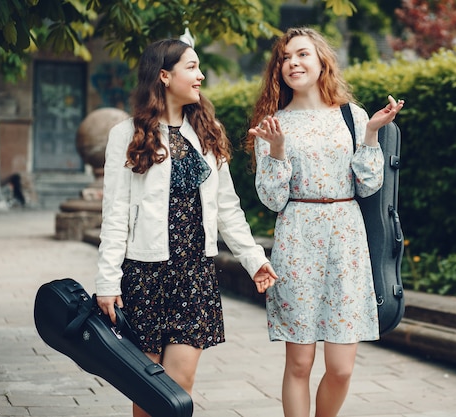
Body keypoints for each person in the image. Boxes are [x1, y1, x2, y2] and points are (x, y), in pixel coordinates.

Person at [94, 38, 277, 417]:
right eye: (191, 67)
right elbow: (114, 215)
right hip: (145, 274)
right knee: (148, 390)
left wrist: (253, 259)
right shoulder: (126, 135)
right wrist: (107, 282)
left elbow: (227, 207)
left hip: (194, 275)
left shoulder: (207, 131)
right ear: (164, 75)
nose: (201, 75)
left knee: (181, 388)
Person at [245, 27, 405, 417]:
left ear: (322, 62)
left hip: (345, 238)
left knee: (341, 368)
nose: (292, 63)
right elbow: (271, 199)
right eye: (285, 57)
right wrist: (278, 151)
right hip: (297, 237)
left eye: (301, 54)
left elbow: (368, 186)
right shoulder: (274, 124)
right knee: (299, 364)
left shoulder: (353, 116)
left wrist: (370, 135)